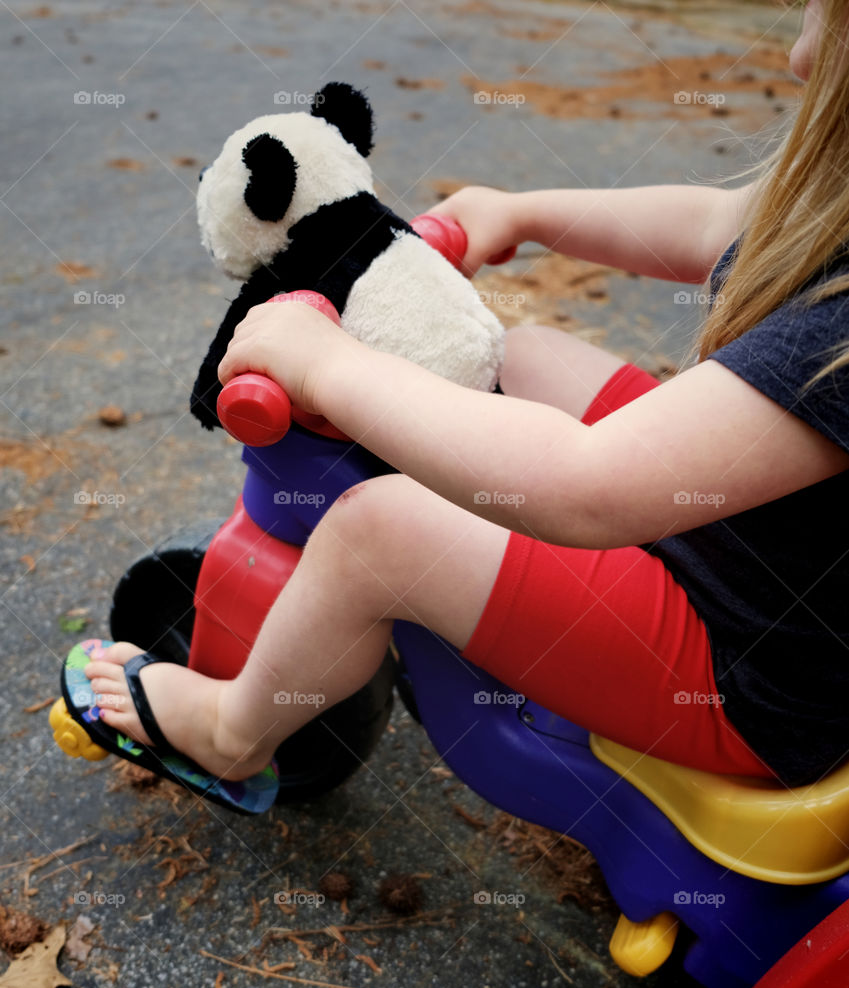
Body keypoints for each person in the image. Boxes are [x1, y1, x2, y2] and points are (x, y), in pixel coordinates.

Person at [81, 0, 849, 792]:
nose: (796, 56)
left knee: (377, 532)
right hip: (739, 551)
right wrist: (523, 213)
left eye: (830, 28)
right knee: (524, 356)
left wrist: (327, 367)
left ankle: (229, 731)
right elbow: (722, 222)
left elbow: (584, 488)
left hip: (747, 686)